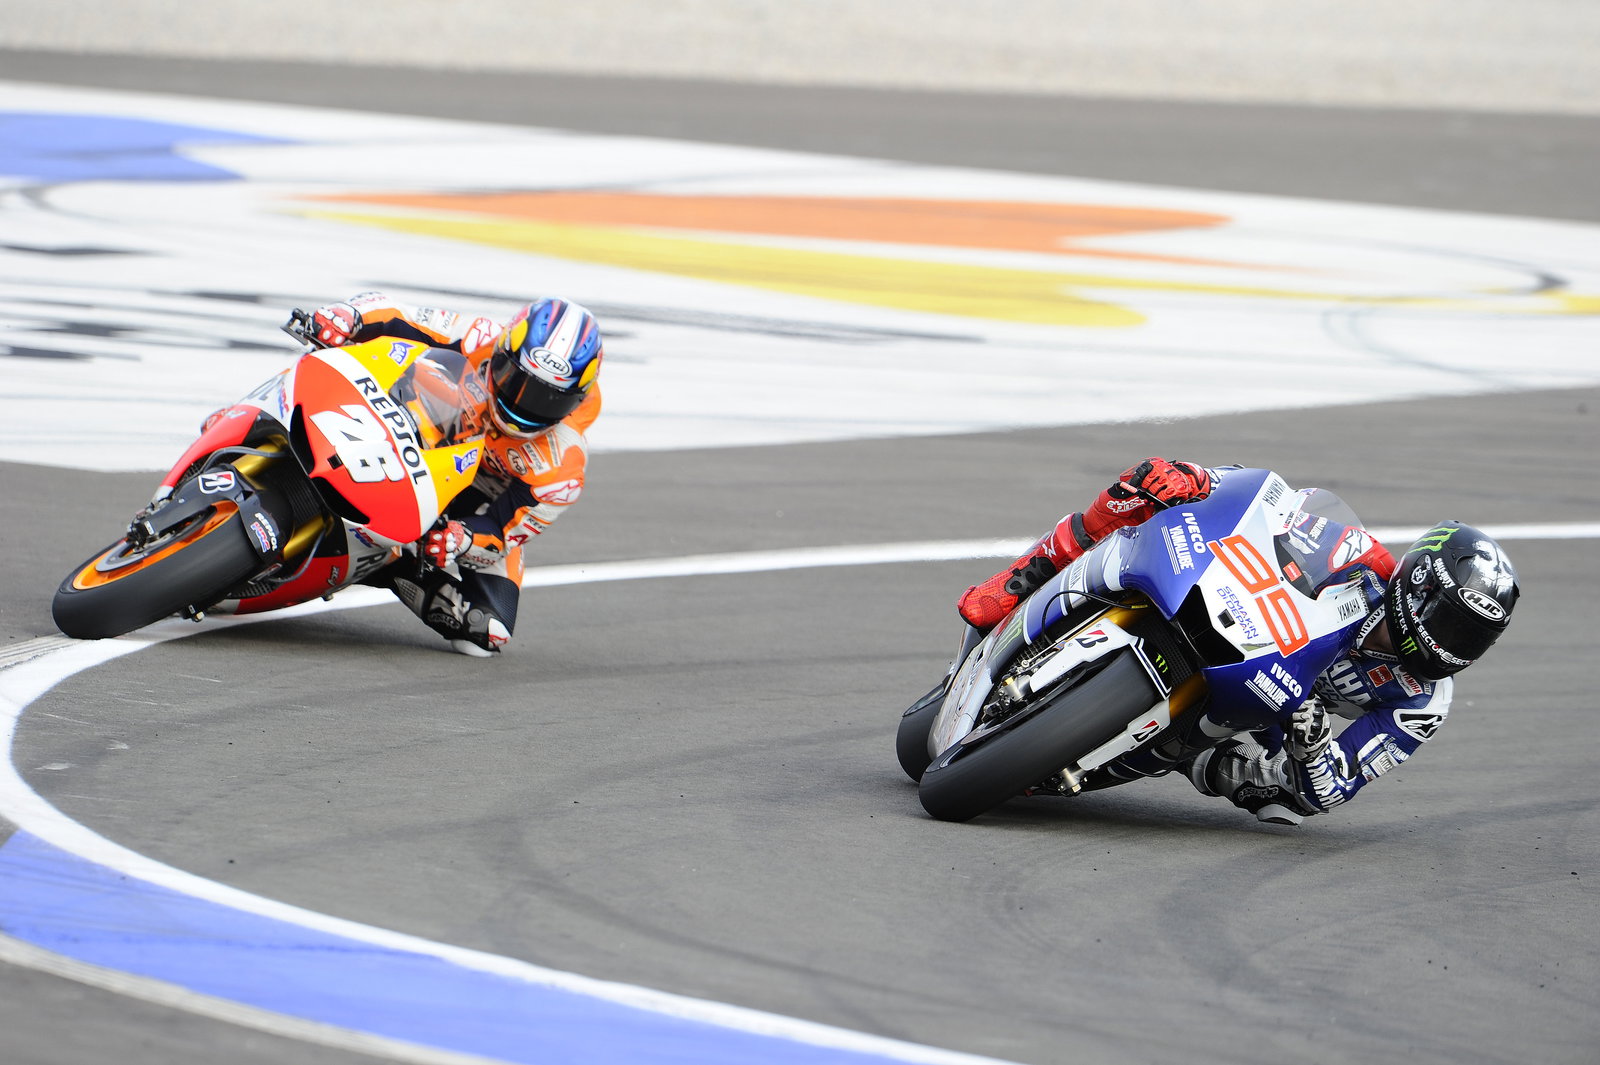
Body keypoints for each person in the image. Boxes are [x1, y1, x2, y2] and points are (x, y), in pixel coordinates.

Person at [956, 458, 1520, 825]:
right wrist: (1199, 480)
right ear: (1418, 585)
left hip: (1276, 716)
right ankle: (1015, 586)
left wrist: (1313, 746)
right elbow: (1267, 508)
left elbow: (1331, 789)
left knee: (1279, 804)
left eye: (1473, 637)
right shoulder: (1358, 555)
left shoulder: (1425, 702)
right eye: (1452, 623)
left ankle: (1154, 753)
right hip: (1244, 629)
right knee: (1142, 485)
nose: (1454, 646)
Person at [286, 291, 604, 657]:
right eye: (516, 380)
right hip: (417, 433)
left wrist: (462, 539)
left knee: (487, 632)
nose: (520, 403)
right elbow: (402, 315)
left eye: (546, 399)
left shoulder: (563, 465)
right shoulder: (478, 336)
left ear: (576, 400)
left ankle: (385, 563)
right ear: (502, 351)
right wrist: (348, 316)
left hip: (468, 503)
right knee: (328, 348)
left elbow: (504, 530)